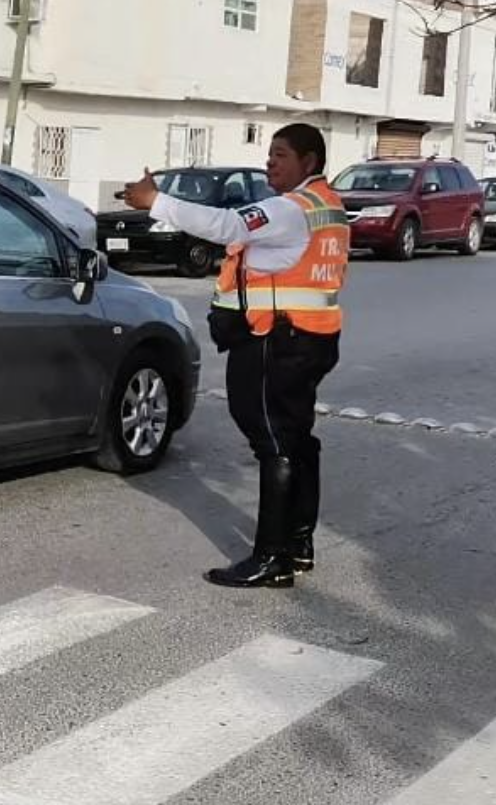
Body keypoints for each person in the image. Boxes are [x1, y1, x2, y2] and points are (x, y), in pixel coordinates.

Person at [122, 123, 348, 589]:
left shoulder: (289, 209)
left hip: (275, 342)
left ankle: (271, 558)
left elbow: (228, 225)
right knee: (298, 439)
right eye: (268, 153)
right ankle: (298, 545)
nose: (270, 162)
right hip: (311, 339)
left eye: (280, 154)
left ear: (308, 163)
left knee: (275, 443)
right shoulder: (326, 205)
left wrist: (155, 202)